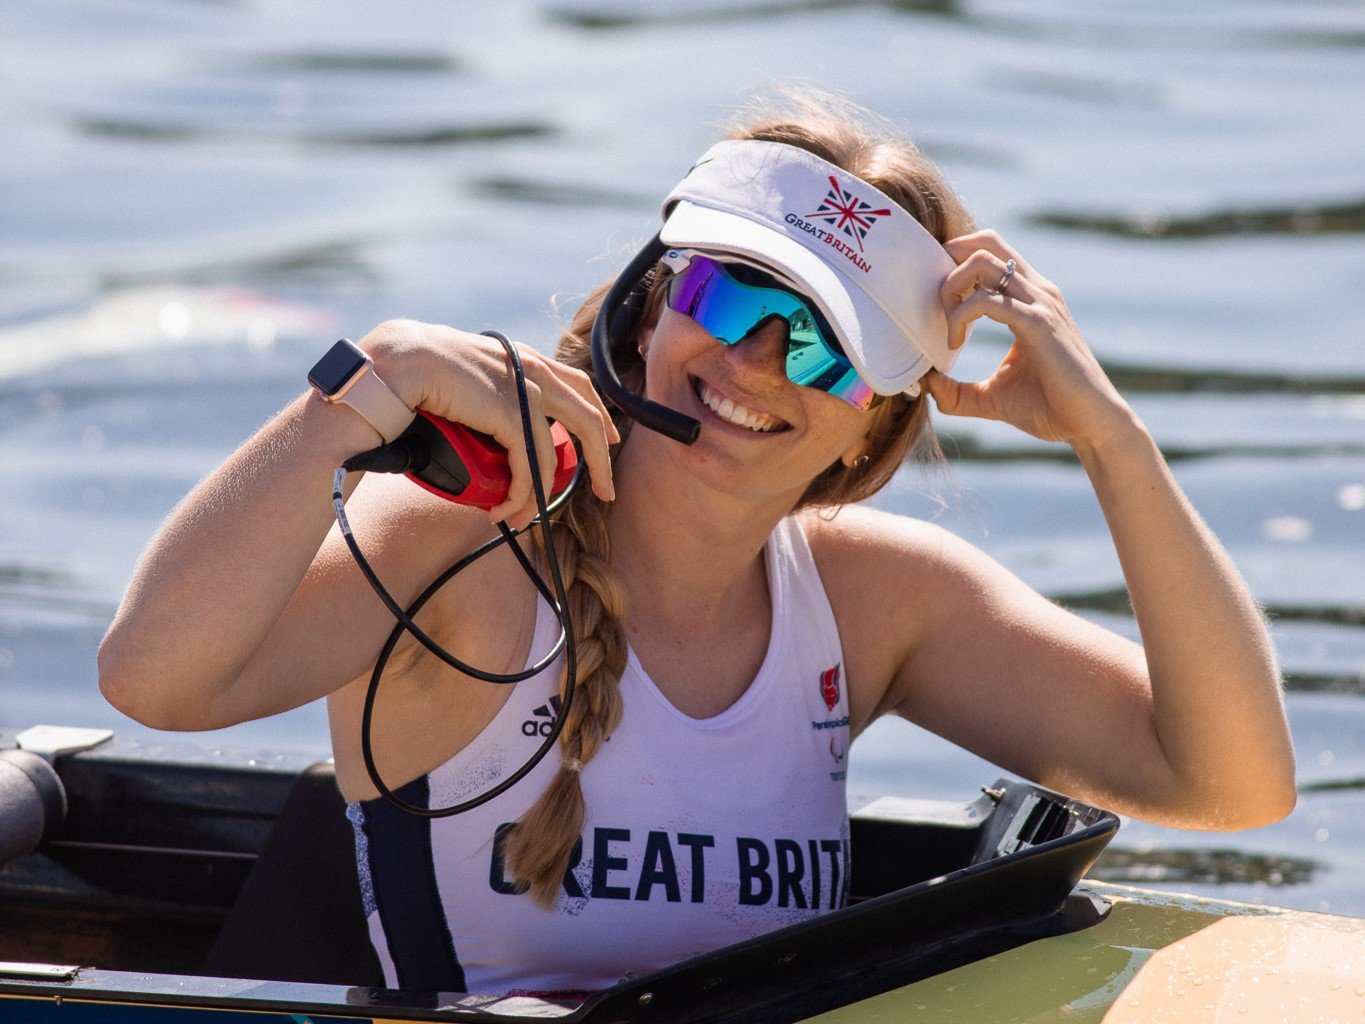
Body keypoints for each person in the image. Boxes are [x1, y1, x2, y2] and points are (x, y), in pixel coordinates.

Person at [98, 90, 1296, 996]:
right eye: (730, 299)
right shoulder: (462, 538)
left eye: (821, 350)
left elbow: (1231, 782)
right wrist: (355, 400)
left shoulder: (878, 599)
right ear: (650, 298)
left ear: (868, 422)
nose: (753, 368)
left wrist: (1112, 438)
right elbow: (152, 678)